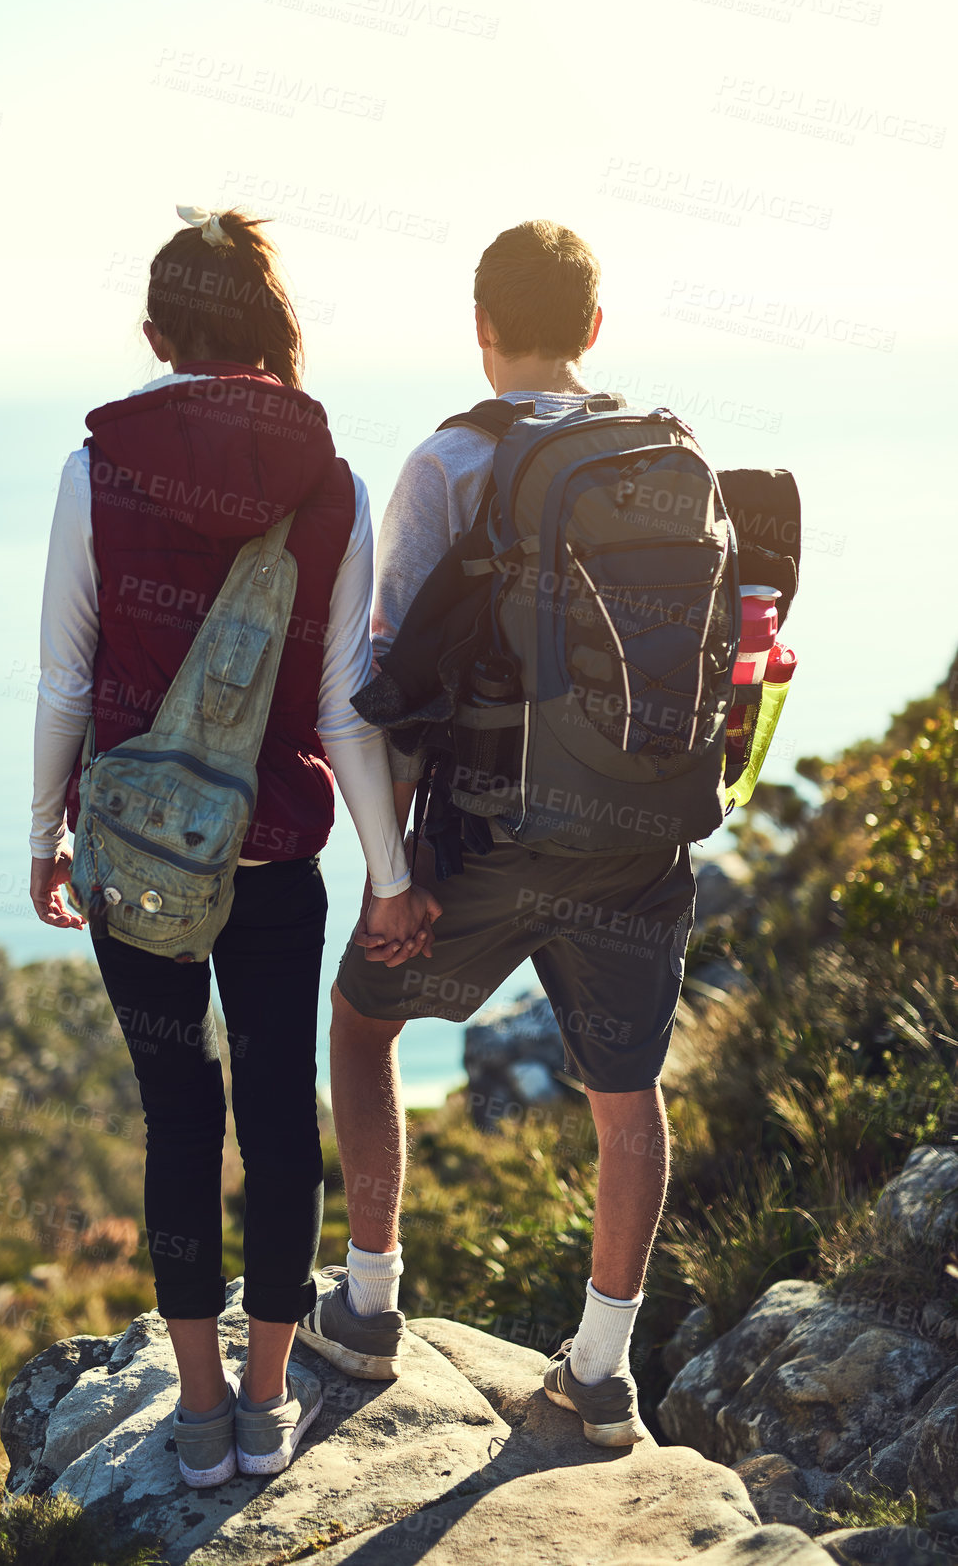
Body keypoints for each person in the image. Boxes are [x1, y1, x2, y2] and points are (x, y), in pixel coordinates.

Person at [28, 204, 438, 1487]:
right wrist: (391, 873)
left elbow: (64, 676)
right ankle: (268, 1409)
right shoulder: (337, 484)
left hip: (135, 854)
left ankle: (196, 1414)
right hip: (271, 857)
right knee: (273, 1114)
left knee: (175, 1118)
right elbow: (339, 707)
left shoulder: (96, 466)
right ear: (273, 332)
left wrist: (45, 832)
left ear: (156, 333)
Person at [297, 220, 699, 1448]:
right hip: (642, 834)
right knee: (626, 1099)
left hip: (492, 837)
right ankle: (599, 1376)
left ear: (481, 331)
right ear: (593, 325)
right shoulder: (666, 449)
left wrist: (394, 873)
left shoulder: (450, 462)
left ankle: (367, 1311)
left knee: (362, 1027)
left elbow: (390, 677)